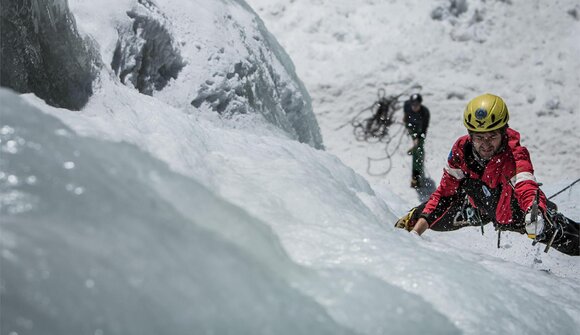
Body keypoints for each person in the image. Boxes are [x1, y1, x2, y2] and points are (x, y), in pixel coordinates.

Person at [395, 93, 579, 256]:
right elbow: (445, 193)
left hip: (518, 214)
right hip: (478, 209)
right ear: (470, 135)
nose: (485, 144)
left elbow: (525, 185)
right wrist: (415, 233)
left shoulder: (515, 154)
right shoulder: (461, 151)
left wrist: (534, 210)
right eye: (479, 137)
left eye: (492, 136)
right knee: (423, 215)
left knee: (569, 239)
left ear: (503, 132)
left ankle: (547, 214)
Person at [403, 93, 430, 188]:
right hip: (412, 127)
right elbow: (406, 117)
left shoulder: (425, 112)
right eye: (413, 105)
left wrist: (418, 138)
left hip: (420, 130)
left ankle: (416, 176)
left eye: (417, 105)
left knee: (418, 150)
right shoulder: (406, 106)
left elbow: (424, 128)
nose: (414, 107)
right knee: (417, 149)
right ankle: (416, 175)